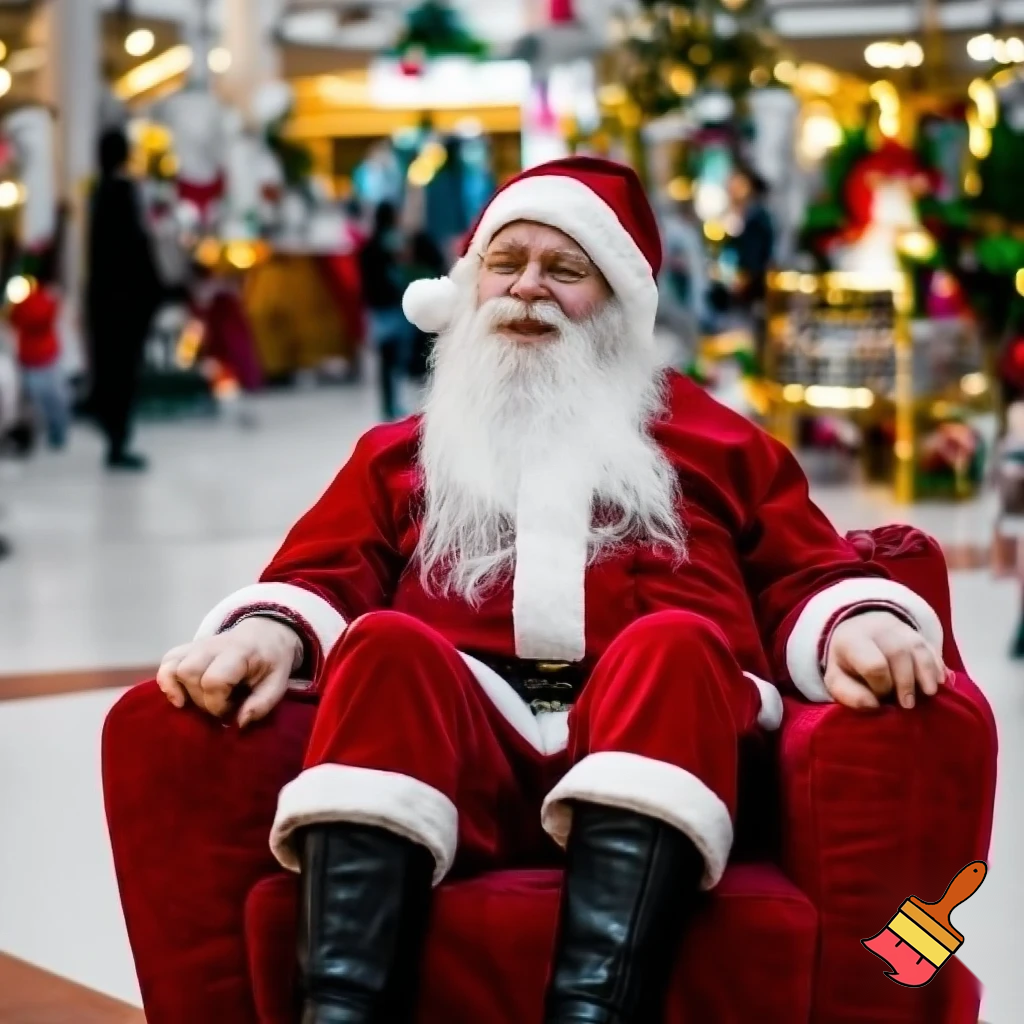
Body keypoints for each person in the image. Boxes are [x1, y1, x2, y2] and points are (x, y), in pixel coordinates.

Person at [157, 158, 948, 1024]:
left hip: (663, 735)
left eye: (566, 270)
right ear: (471, 282)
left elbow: (806, 568)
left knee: (676, 643)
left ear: (618, 301)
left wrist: (858, 619)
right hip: (466, 748)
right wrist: (268, 631)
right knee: (386, 645)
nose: (528, 288)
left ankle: (596, 1012)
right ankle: (341, 1013)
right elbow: (323, 571)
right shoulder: (406, 451)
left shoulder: (719, 443)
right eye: (507, 262)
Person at [85, 127, 163, 471]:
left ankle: (113, 435)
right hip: (126, 302)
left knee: (109, 368)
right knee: (123, 372)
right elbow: (137, 249)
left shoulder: (98, 193)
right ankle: (117, 440)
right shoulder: (124, 193)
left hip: (104, 300)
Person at [358, 201, 413, 421]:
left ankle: (389, 403)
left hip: (377, 308)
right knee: (392, 358)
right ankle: (391, 403)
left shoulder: (368, 246)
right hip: (390, 306)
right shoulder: (390, 244)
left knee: (385, 359)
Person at [8, 268, 69, 449]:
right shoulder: (41, 299)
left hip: (41, 356)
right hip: (34, 356)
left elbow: (16, 320)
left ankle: (52, 431)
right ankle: (45, 432)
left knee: (46, 398)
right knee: (42, 399)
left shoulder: (35, 299)